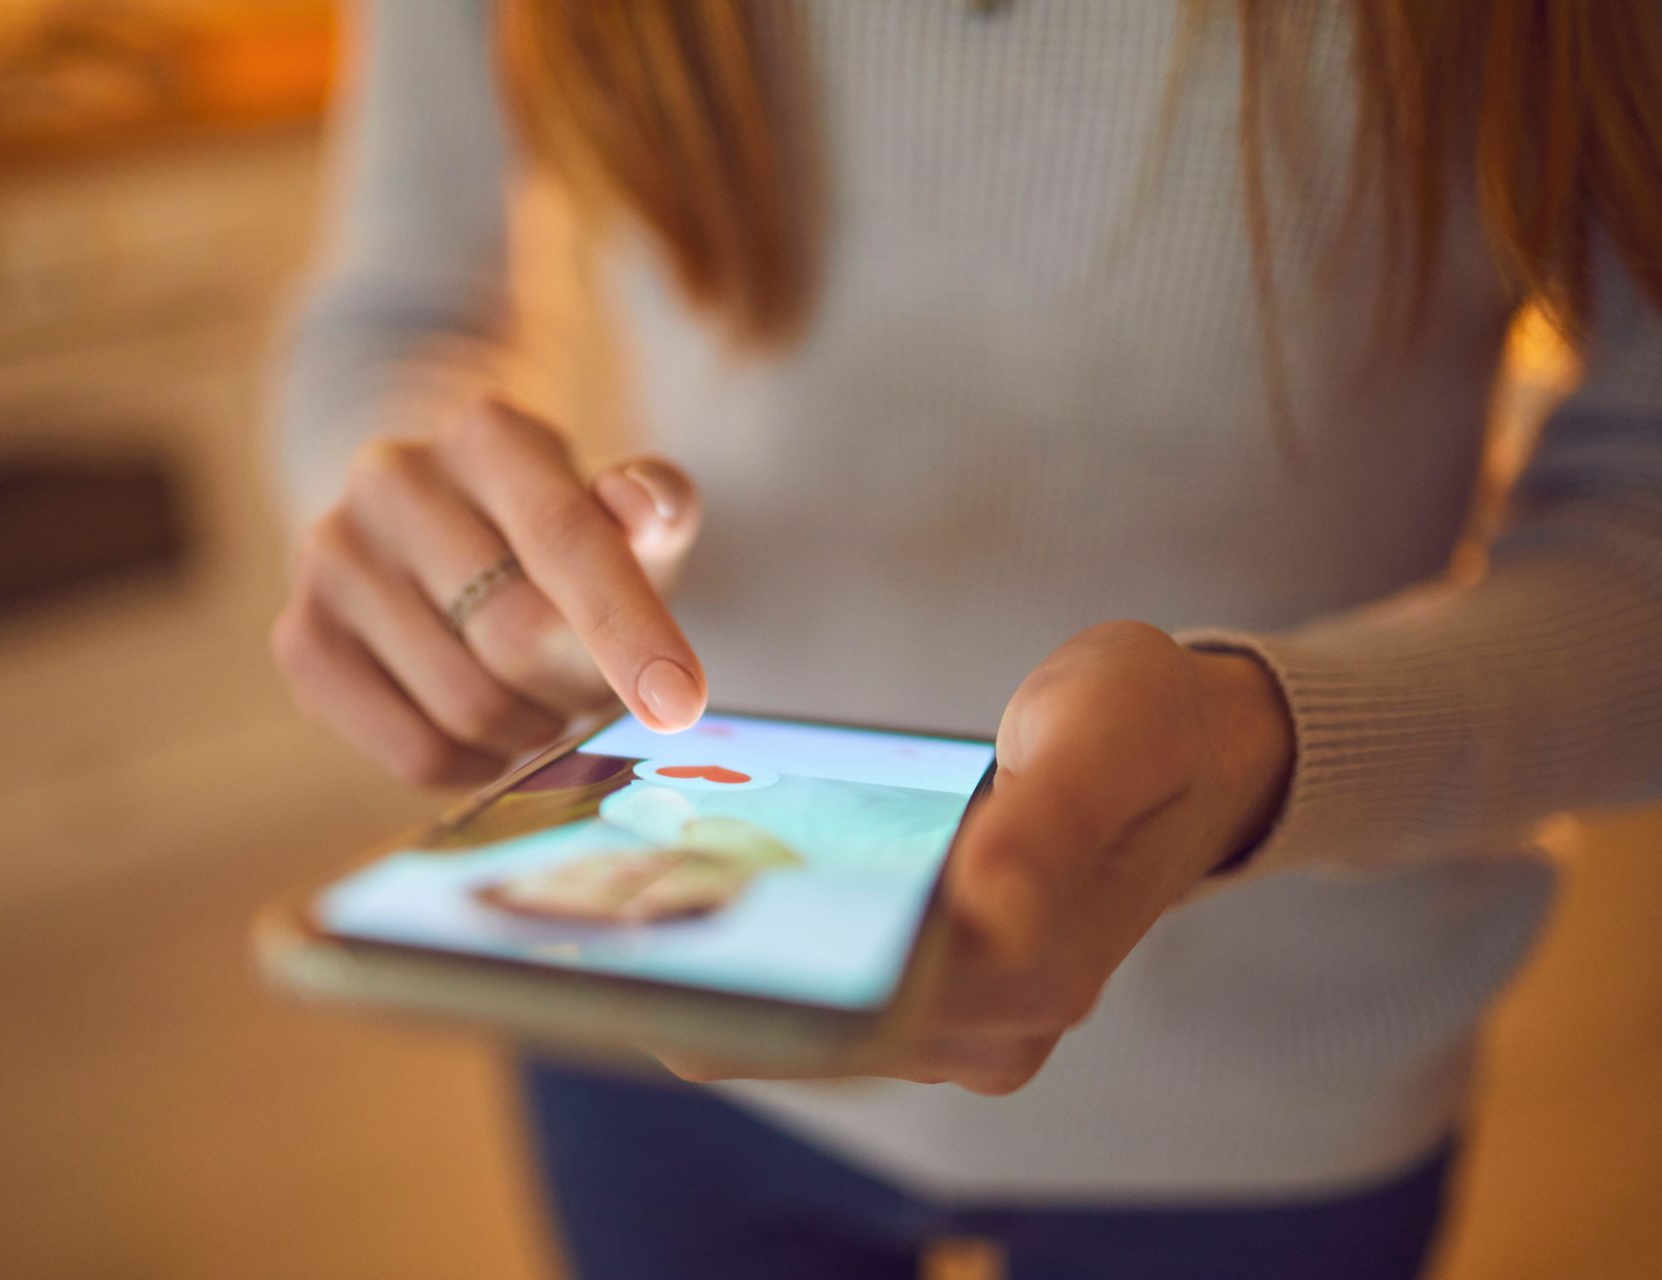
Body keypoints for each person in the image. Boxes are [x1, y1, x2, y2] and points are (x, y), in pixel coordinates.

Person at [270, 3, 1662, 1277]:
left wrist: (1256, 745)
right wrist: (406, 519)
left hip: (1274, 1078)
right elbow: (387, 321)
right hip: (651, 958)